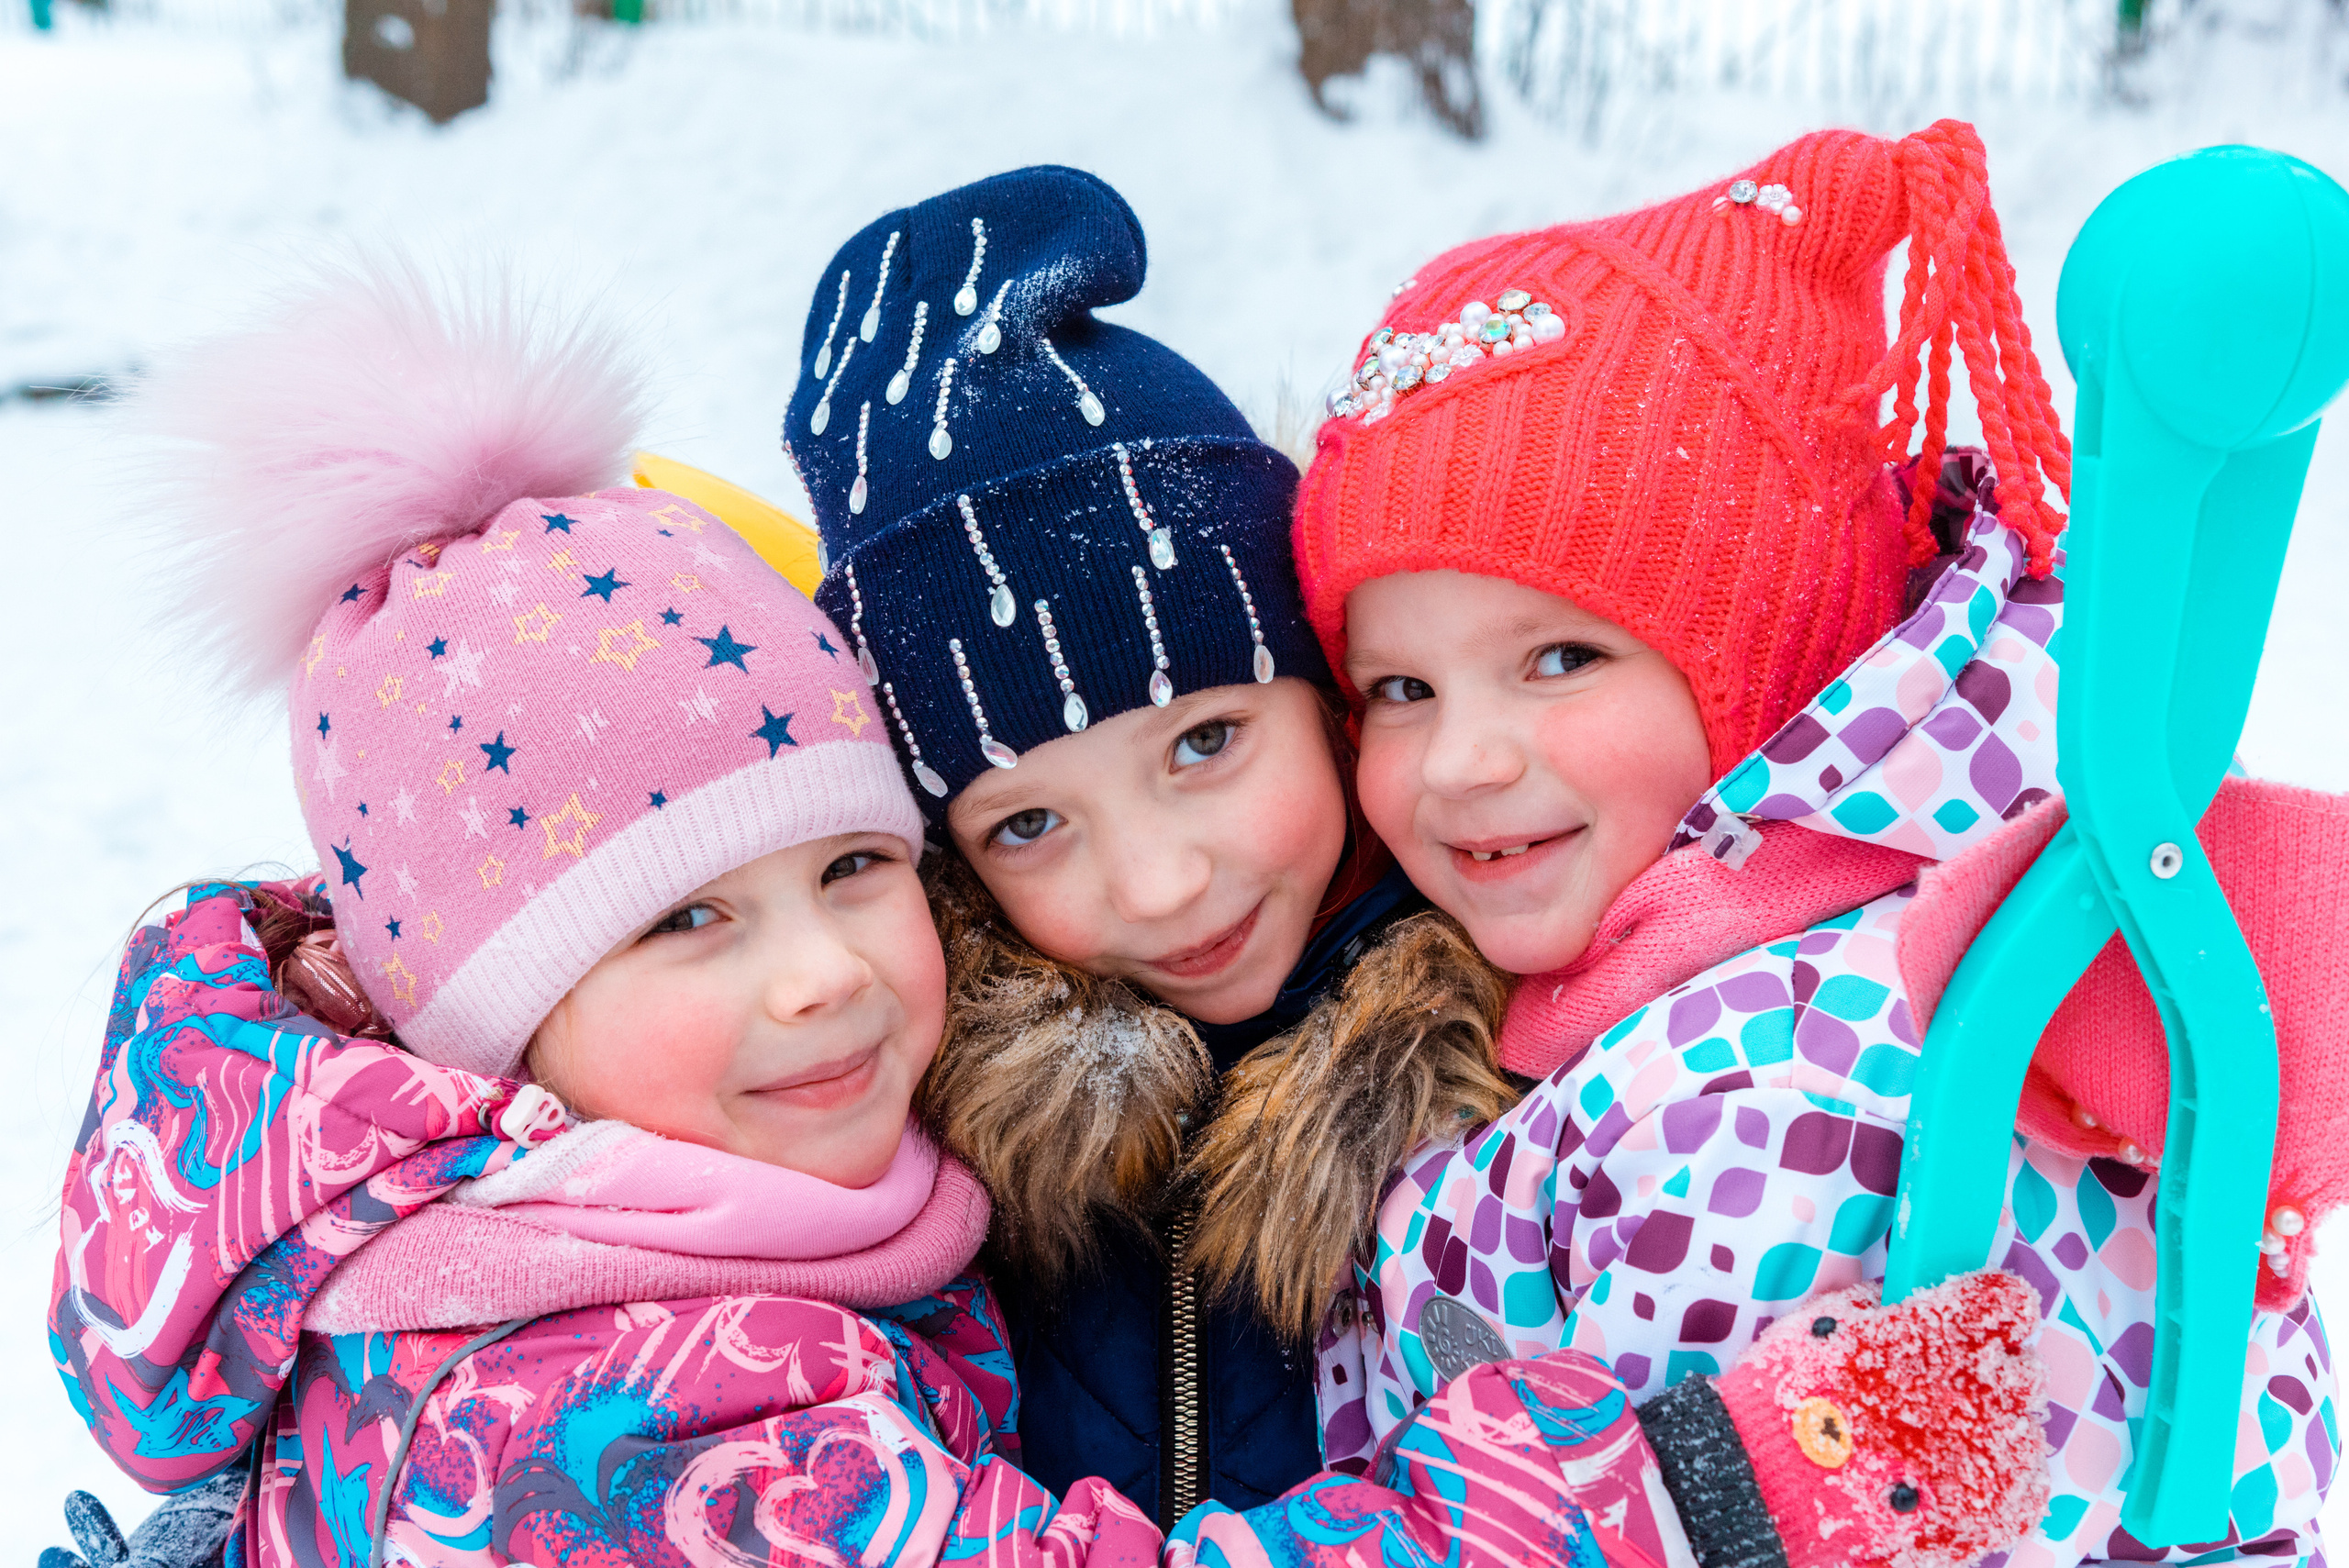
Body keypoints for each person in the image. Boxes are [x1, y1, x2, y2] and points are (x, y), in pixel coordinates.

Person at [52, 253, 2036, 1568]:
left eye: (844, 871)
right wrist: (1696, 1492)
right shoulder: (619, 1382)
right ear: (475, 1013)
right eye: (678, 925)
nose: (821, 973)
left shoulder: (639, 1219)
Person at [1287, 121, 2341, 1564]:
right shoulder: (1706, 951)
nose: (1461, 759)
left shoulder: (1752, 1108)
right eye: (1399, 688)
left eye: (1560, 658)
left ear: (1764, 663)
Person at [786, 165, 1520, 1524]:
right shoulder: (911, 1126)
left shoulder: (1532, 1027)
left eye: (1203, 744)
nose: (1162, 883)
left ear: (1325, 690)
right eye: (1029, 822)